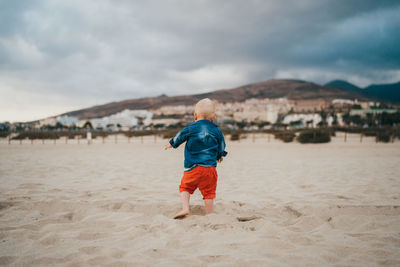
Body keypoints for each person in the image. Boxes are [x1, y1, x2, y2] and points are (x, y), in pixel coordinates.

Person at [165, 98, 228, 219]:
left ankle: (185, 208)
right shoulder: (216, 130)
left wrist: (171, 144)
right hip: (210, 168)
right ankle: (209, 214)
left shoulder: (191, 128)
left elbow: (179, 137)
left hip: (192, 167)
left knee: (185, 187)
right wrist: (220, 155)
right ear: (213, 118)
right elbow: (221, 145)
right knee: (209, 192)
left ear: (195, 116)